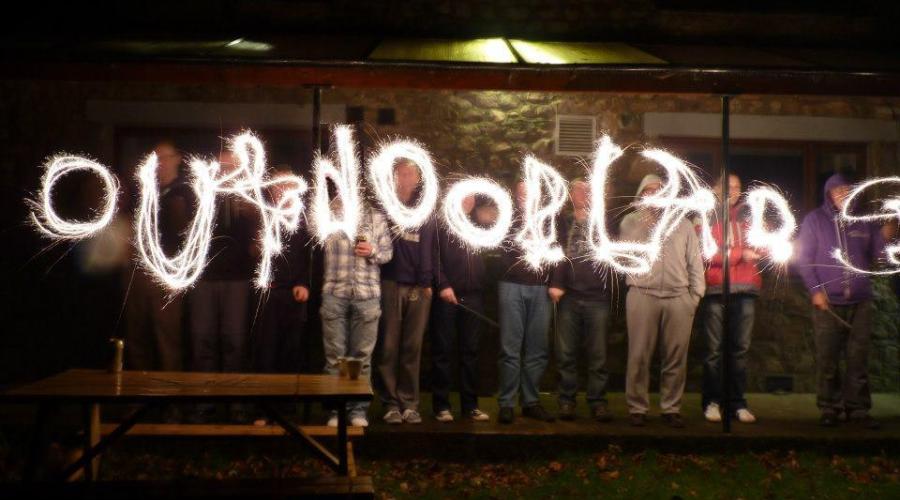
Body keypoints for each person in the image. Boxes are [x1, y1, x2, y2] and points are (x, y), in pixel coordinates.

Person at [796, 173, 884, 429]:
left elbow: (878, 256)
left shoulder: (863, 221)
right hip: (828, 303)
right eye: (837, 191)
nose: (842, 195)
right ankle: (830, 407)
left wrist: (886, 235)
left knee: (858, 358)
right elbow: (804, 259)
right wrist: (815, 290)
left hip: (861, 302)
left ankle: (857, 409)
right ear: (829, 195)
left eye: (846, 190)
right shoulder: (815, 220)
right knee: (828, 358)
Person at [620, 174, 705, 428]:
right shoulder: (630, 222)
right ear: (641, 193)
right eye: (649, 190)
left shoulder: (683, 225)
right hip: (642, 293)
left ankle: (671, 407)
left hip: (678, 296)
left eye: (659, 190)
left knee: (676, 356)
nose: (654, 194)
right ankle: (637, 407)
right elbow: (623, 258)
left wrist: (695, 296)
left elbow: (695, 262)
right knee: (639, 355)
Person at [124, 140, 193, 422]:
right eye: (156, 158)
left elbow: (185, 233)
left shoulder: (185, 192)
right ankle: (143, 400)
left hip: (166, 277)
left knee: (167, 341)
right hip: (139, 276)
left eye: (166, 157)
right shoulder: (144, 192)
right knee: (138, 339)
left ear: (178, 159)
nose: (161, 163)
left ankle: (171, 403)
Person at [187, 150, 258, 424]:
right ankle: (205, 403)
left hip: (237, 279)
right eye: (223, 166)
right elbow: (188, 229)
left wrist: (253, 215)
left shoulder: (249, 195)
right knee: (202, 341)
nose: (227, 170)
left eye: (233, 166)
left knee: (235, 342)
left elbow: (260, 242)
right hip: (205, 277)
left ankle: (235, 402)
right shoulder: (202, 192)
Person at [496, 180, 566, 424]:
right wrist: (517, 269)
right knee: (510, 348)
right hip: (511, 286)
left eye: (530, 191)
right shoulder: (506, 216)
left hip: (541, 289)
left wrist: (555, 282)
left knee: (538, 349)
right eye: (522, 192)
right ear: (516, 194)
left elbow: (559, 251)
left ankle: (530, 402)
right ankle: (506, 403)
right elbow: (500, 249)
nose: (526, 196)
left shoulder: (549, 218)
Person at [321, 197, 393, 428]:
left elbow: (387, 253)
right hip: (335, 291)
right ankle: (335, 409)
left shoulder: (376, 217)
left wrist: (372, 251)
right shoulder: (326, 214)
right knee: (335, 358)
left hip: (367, 294)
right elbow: (315, 245)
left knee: (362, 358)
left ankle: (357, 410)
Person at [252, 168, 314, 425]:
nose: (283, 190)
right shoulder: (262, 215)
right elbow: (253, 253)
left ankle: (287, 409)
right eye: (279, 185)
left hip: (293, 294)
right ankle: (264, 409)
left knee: (291, 352)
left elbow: (311, 256)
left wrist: (303, 283)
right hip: (268, 292)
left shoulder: (304, 219)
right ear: (271, 189)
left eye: (289, 185)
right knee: (266, 352)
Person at [378, 159, 437, 425]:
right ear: (394, 177)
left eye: (411, 173)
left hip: (419, 287)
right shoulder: (384, 207)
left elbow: (428, 249)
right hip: (390, 282)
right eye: (401, 173)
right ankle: (390, 403)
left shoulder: (424, 210)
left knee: (412, 347)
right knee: (389, 346)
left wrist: (426, 282)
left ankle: (410, 403)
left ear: (417, 179)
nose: (406, 177)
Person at [698, 174, 760, 424]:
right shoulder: (705, 215)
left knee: (740, 350)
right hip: (716, 289)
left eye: (737, 186)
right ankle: (712, 401)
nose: (732, 191)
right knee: (714, 351)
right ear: (715, 189)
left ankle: (737, 403)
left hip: (745, 289)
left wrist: (763, 247)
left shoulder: (750, 215)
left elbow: (763, 245)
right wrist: (739, 254)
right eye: (727, 187)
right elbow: (705, 252)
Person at [552, 179, 613, 422]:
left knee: (598, 354)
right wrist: (556, 283)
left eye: (588, 189)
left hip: (598, 296)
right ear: (570, 194)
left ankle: (597, 401)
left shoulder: (603, 222)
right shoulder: (563, 222)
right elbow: (555, 253)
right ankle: (567, 400)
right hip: (569, 296)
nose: (583, 193)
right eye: (578, 189)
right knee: (566, 353)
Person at [431, 194, 490, 423]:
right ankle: (441, 405)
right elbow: (433, 257)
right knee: (443, 351)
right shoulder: (443, 223)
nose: (467, 200)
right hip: (448, 295)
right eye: (463, 195)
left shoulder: (478, 225)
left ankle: (470, 406)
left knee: (471, 351)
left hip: (473, 295)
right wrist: (444, 285)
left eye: (471, 197)